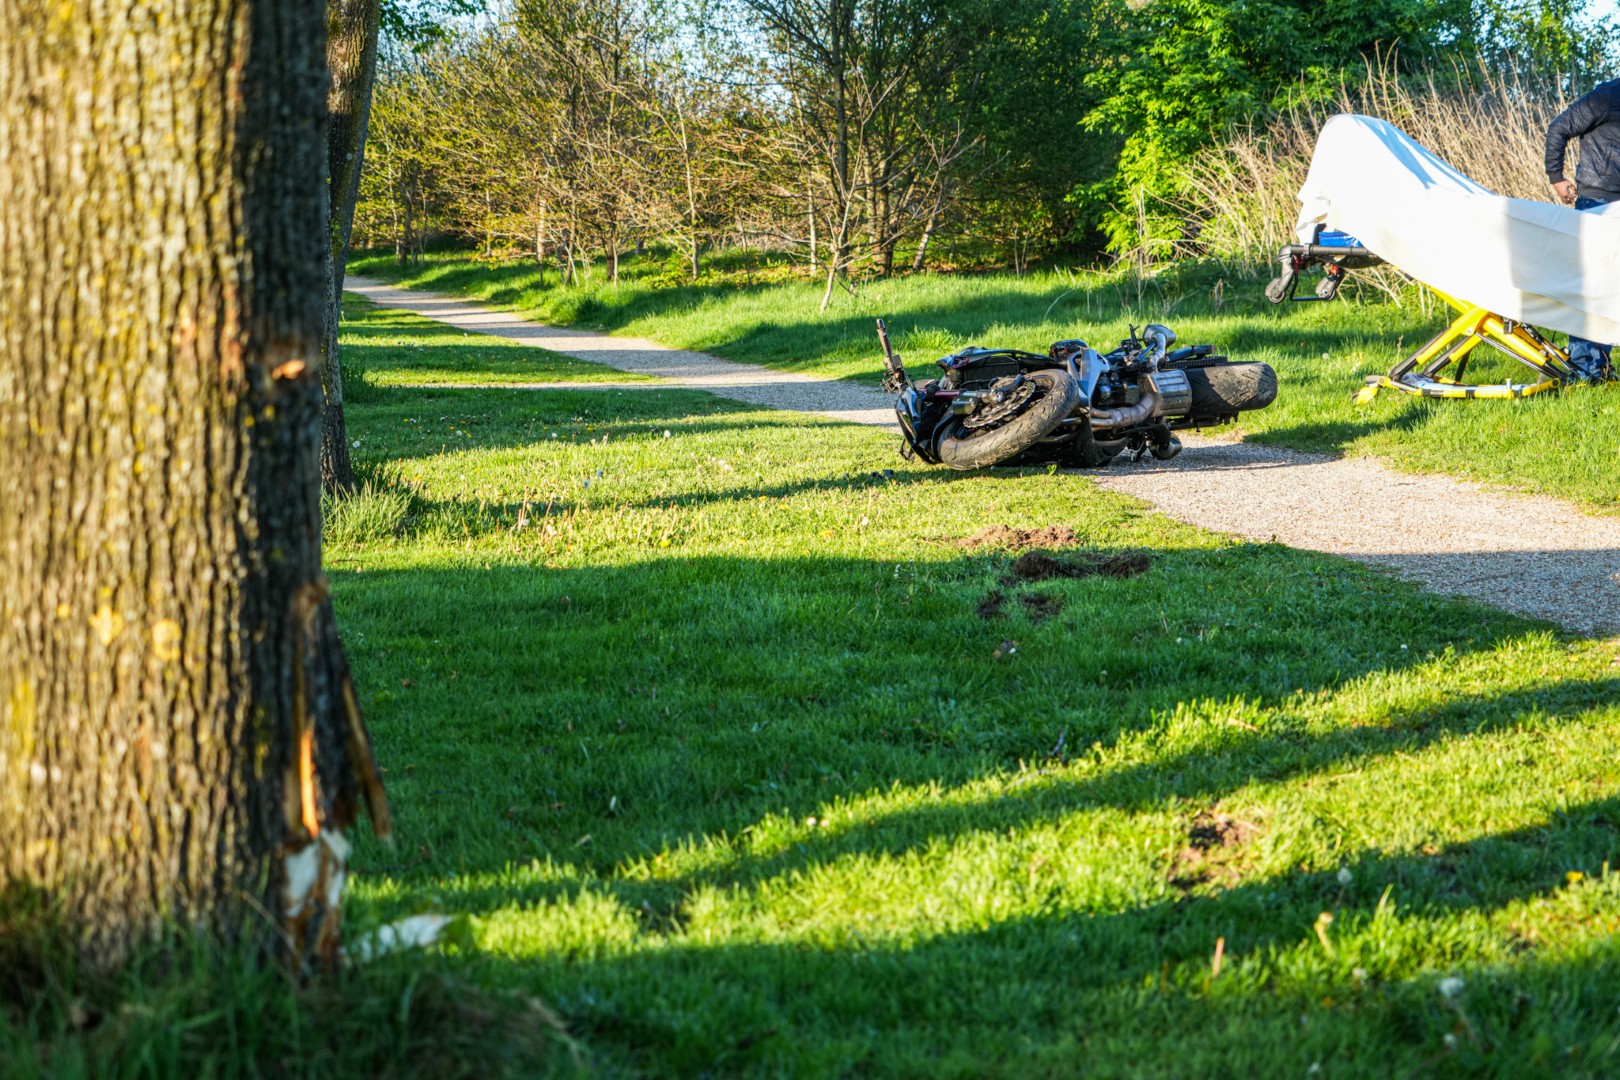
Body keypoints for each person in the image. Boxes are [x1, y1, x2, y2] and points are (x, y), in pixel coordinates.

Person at [1546, 78, 1620, 382]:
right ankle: (1585, 368)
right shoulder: (1606, 95)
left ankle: (1600, 365)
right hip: (1597, 201)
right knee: (1592, 286)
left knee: (1613, 288)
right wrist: (1556, 176)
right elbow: (1559, 127)